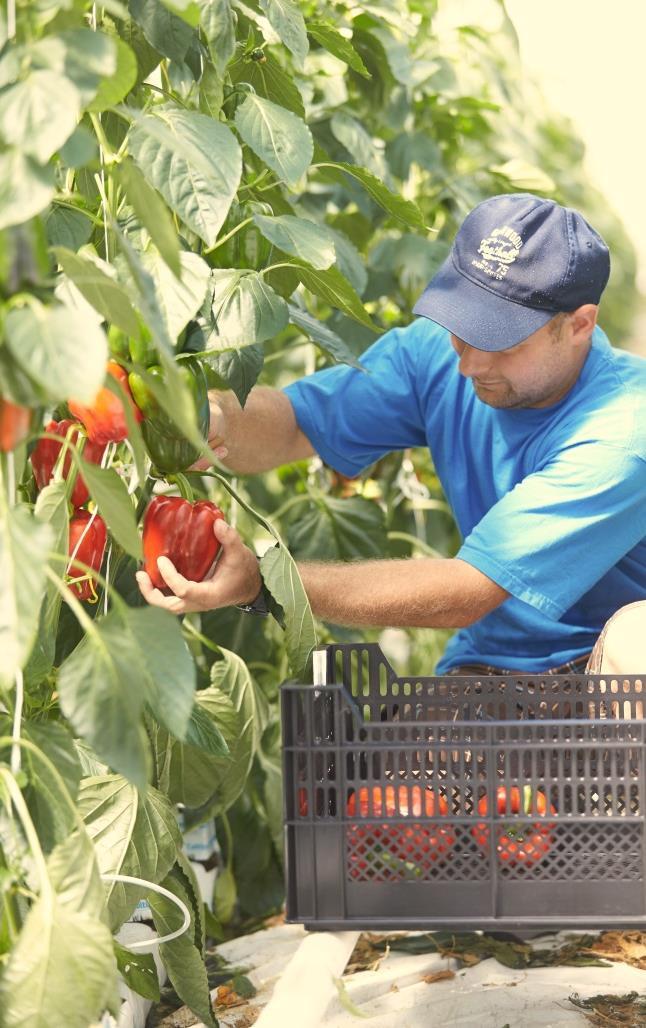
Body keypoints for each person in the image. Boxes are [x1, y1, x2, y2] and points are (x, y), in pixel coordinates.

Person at [136, 193, 646, 675]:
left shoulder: (623, 431)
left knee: (635, 640)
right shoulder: (436, 357)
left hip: (601, 675)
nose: (469, 363)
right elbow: (295, 424)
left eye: (503, 340)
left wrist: (267, 583)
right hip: (491, 665)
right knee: (381, 773)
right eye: (464, 327)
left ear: (580, 324)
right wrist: (214, 419)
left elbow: (469, 589)